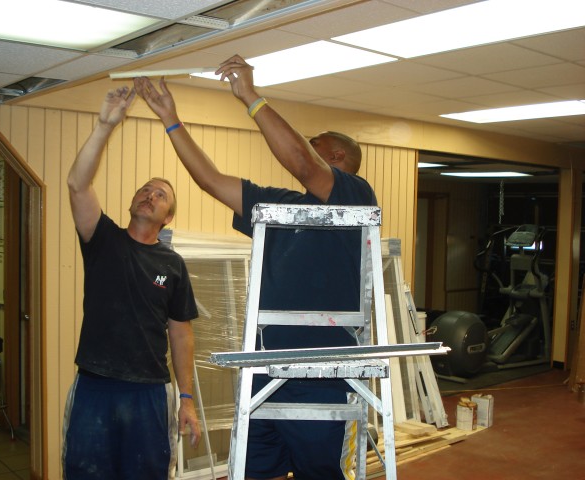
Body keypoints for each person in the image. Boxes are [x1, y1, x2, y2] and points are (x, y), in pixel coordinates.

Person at [134, 53, 378, 480]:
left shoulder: (356, 198)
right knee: (251, 471)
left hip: (321, 378)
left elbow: (303, 162)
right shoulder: (280, 207)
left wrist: (249, 96)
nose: (303, 150)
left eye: (314, 145)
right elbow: (210, 180)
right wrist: (171, 120)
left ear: (335, 156)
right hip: (267, 374)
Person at [63, 85, 201, 480]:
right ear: (132, 202)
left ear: (167, 218)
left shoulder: (172, 264)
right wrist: (105, 125)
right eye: (145, 190)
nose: (150, 195)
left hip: (148, 392)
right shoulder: (102, 238)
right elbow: (77, 184)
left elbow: (181, 333)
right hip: (94, 386)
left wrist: (186, 399)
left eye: (160, 195)